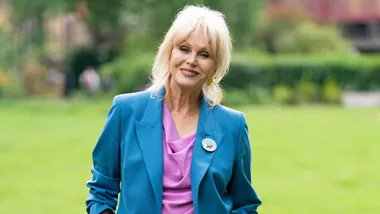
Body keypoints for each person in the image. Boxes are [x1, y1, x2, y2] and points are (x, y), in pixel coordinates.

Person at [86, 5, 261, 214]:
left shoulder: (234, 125)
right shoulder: (126, 111)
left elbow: (245, 204)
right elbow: (101, 192)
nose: (191, 60)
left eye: (204, 54)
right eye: (184, 49)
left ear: (215, 66)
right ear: (169, 52)